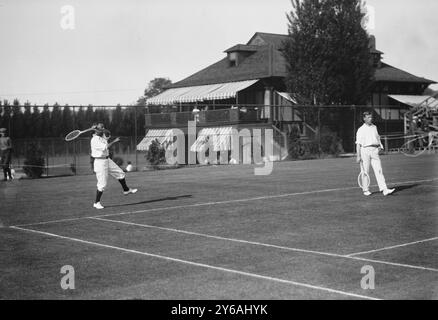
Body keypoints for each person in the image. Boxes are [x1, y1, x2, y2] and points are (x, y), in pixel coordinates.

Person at [91, 123, 137, 209]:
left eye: (103, 127)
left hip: (107, 160)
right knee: (102, 184)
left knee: (120, 173)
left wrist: (99, 129)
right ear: (97, 129)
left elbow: (107, 134)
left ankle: (126, 190)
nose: (104, 128)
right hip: (100, 162)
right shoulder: (94, 140)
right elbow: (106, 146)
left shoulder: (102, 136)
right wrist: (115, 141)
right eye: (102, 127)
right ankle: (96, 202)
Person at [356, 112, 395, 196]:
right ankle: (365, 190)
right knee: (365, 171)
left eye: (371, 117)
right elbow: (358, 144)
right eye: (368, 117)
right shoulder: (360, 129)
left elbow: (377, 137)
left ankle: (384, 189)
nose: (370, 118)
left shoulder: (374, 127)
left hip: (374, 151)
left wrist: (380, 146)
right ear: (364, 119)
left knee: (379, 170)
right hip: (365, 150)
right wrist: (358, 156)